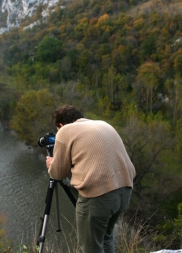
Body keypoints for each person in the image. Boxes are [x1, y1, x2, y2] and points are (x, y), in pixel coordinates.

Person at [46, 105, 136, 253]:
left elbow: (58, 174)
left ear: (60, 125)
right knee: (106, 238)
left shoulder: (65, 131)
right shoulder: (103, 124)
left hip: (98, 195)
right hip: (125, 190)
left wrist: (51, 164)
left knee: (90, 248)